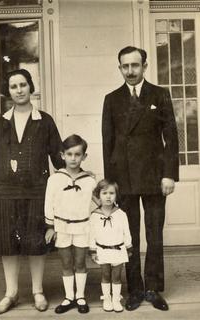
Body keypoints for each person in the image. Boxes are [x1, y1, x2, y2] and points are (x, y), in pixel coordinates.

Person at [102, 46, 179, 311]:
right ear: (120, 68)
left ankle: (153, 288)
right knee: (129, 235)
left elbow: (171, 138)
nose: (131, 71)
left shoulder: (159, 94)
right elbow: (107, 143)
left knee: (154, 233)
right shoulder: (112, 99)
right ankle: (134, 289)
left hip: (155, 176)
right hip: (124, 178)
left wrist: (169, 174)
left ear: (145, 66)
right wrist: (110, 183)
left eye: (135, 65)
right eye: (125, 66)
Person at [0, 69, 64, 315]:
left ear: (31, 87)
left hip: (37, 191)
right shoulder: (1, 121)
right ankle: (11, 293)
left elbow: (58, 155)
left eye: (23, 85)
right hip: (5, 191)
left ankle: (38, 291)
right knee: (8, 243)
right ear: (9, 91)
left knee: (35, 242)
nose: (19, 90)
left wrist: (75, 174)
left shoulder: (44, 120)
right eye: (14, 86)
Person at [44, 134, 96, 314]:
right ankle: (69, 297)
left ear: (84, 157)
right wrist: (51, 226)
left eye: (78, 154)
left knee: (80, 262)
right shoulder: (55, 179)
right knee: (66, 263)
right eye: (69, 154)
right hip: (62, 227)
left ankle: (80, 296)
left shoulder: (89, 181)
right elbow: (48, 203)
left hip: (82, 227)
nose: (73, 158)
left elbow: (96, 205)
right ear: (62, 155)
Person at [89, 179, 132, 313]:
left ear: (116, 195)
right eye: (104, 193)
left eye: (112, 193)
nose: (108, 196)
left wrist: (128, 247)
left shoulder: (121, 214)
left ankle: (116, 299)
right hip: (102, 250)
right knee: (105, 274)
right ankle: (107, 298)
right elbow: (92, 234)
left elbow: (127, 232)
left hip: (118, 250)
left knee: (117, 276)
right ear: (98, 195)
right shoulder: (95, 216)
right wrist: (93, 250)